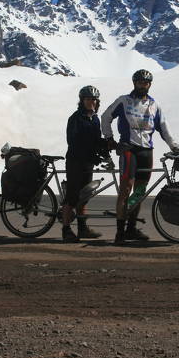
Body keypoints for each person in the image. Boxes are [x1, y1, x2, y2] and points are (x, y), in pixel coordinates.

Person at [101, 69, 179, 245]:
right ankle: (120, 233)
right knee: (126, 189)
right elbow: (105, 117)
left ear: (149, 85)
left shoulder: (154, 105)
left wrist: (174, 146)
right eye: (139, 82)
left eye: (146, 83)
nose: (142, 85)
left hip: (146, 152)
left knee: (140, 191)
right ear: (134, 83)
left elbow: (164, 128)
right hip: (128, 150)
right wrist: (110, 139)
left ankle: (131, 229)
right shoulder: (123, 101)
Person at [61, 85, 105, 242]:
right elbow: (73, 141)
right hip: (75, 161)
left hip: (87, 162)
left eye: (94, 99)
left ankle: (82, 229)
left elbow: (95, 140)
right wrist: (91, 153)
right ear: (82, 100)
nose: (91, 102)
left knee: (84, 196)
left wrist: (104, 148)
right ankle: (66, 230)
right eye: (88, 99)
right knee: (72, 197)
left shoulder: (95, 118)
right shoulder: (75, 118)